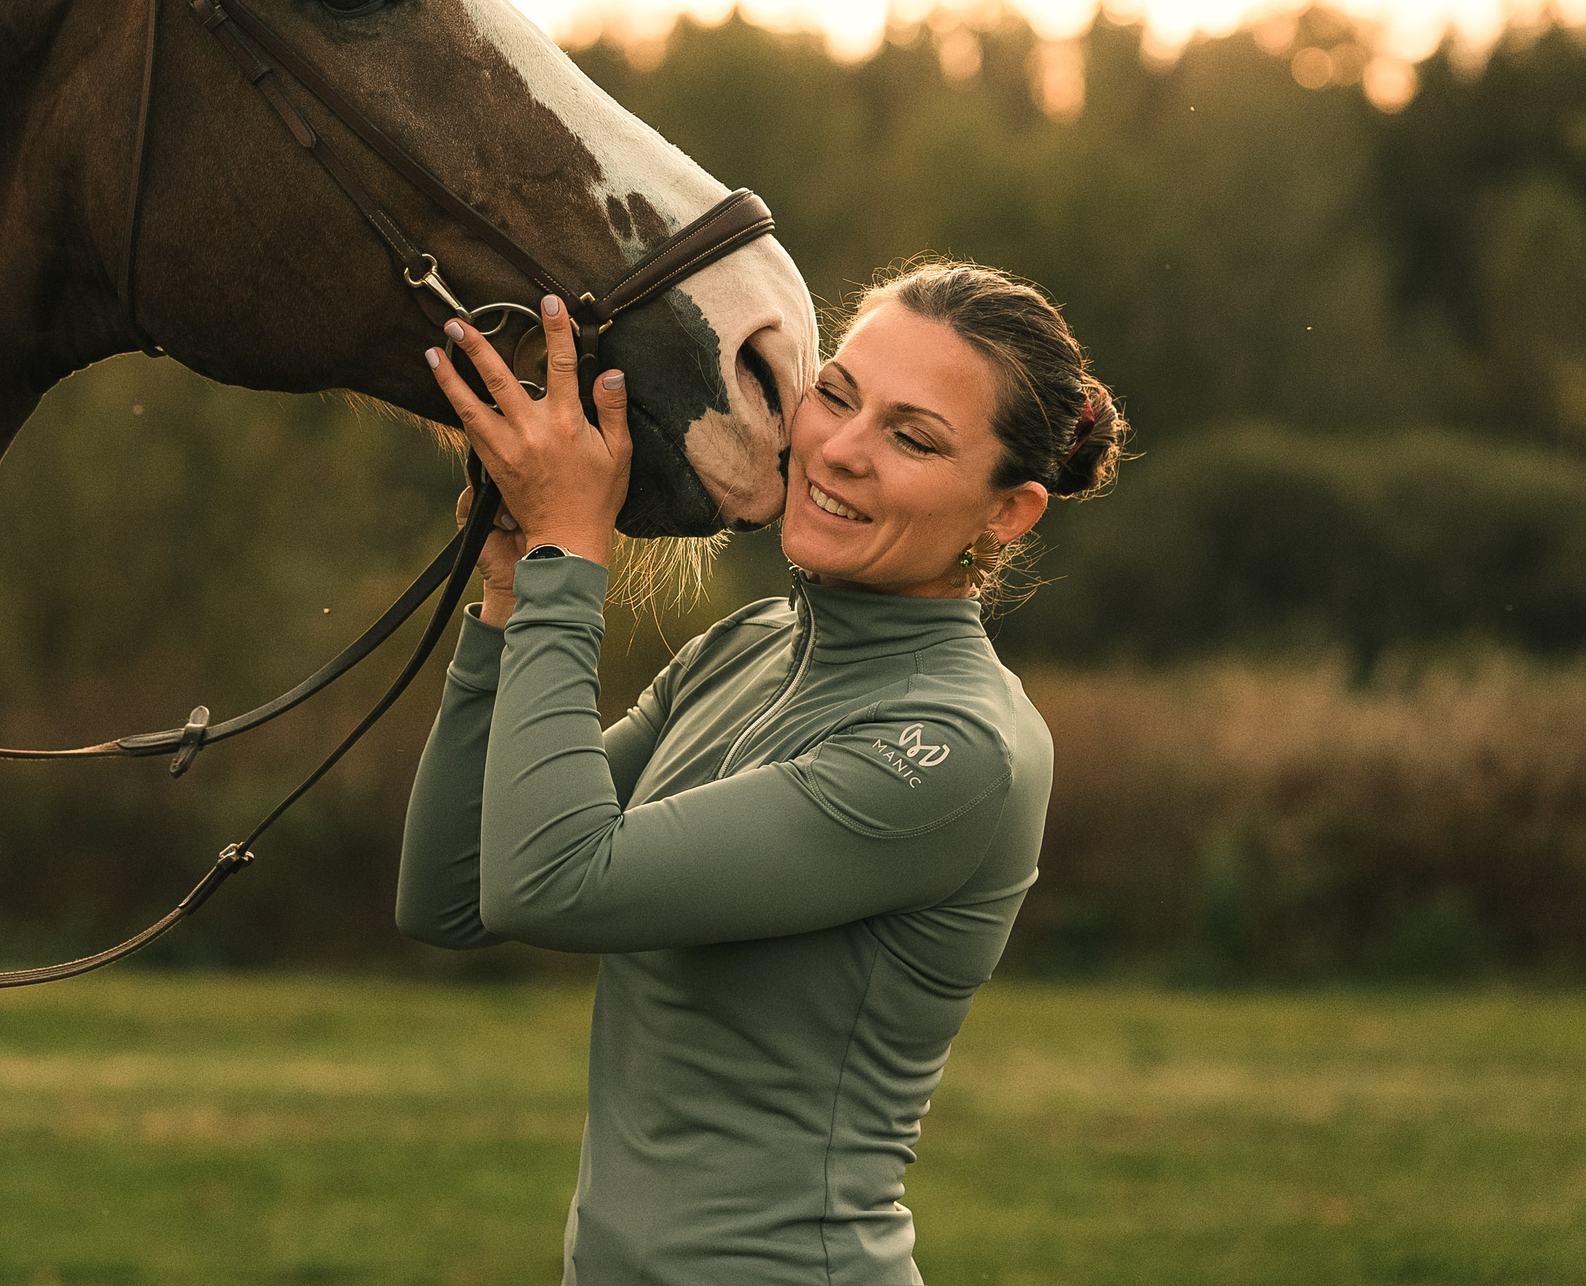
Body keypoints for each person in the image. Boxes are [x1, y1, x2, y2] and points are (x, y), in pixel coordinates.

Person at [399, 258, 1125, 1285]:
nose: (842, 448)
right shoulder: (745, 647)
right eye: (836, 395)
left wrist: (573, 552)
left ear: (1008, 513)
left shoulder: (954, 749)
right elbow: (452, 894)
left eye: (912, 437)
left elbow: (553, 884)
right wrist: (513, 600)